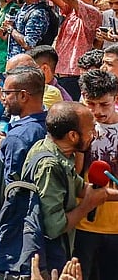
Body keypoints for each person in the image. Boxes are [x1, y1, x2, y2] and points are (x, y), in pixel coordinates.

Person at [23, 102, 118, 275]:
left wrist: (103, 195)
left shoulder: (56, 152)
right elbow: (54, 227)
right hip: (46, 262)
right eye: (90, 130)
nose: (94, 135)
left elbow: (81, 188)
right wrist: (87, 206)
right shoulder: (50, 166)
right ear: (73, 136)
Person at [73, 71, 118, 280]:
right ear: (82, 96)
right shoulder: (74, 125)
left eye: (104, 104)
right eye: (90, 103)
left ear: (115, 98)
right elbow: (74, 175)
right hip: (83, 224)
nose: (97, 111)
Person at [0, 66, 47, 184]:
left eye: (7, 93)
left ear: (23, 96)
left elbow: (12, 188)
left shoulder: (17, 138)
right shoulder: (52, 124)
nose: (3, 98)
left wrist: (9, 144)